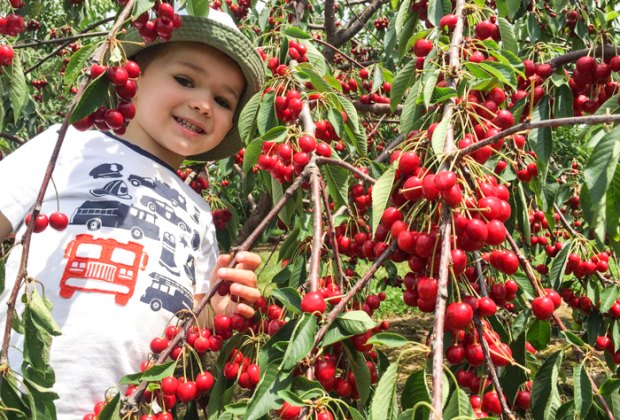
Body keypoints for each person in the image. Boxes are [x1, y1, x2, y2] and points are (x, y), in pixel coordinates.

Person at [0, 8, 265, 418]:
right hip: (22, 390)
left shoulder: (199, 212)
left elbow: (189, 322)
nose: (203, 104)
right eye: (185, 80)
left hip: (135, 405)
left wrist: (218, 307)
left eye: (223, 100)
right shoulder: (70, 144)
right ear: (130, 79)